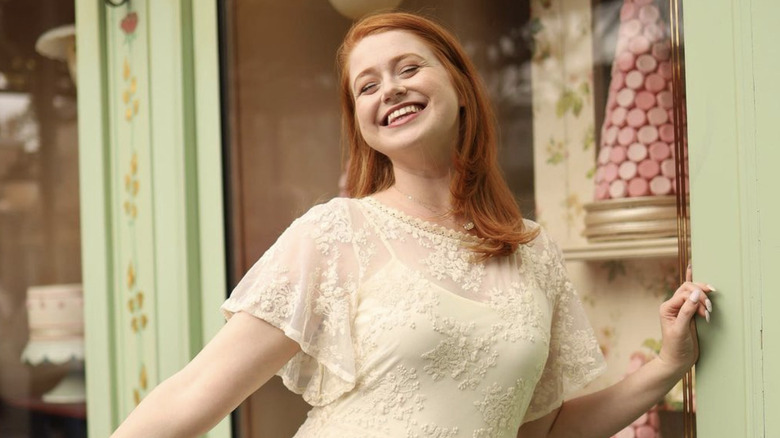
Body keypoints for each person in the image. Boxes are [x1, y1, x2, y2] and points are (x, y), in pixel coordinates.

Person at [111, 12, 714, 438]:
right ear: (363, 124)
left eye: (407, 69)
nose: (389, 90)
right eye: (366, 86)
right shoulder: (332, 234)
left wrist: (666, 365)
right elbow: (194, 394)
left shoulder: (534, 251)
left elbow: (542, 432)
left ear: (461, 89)